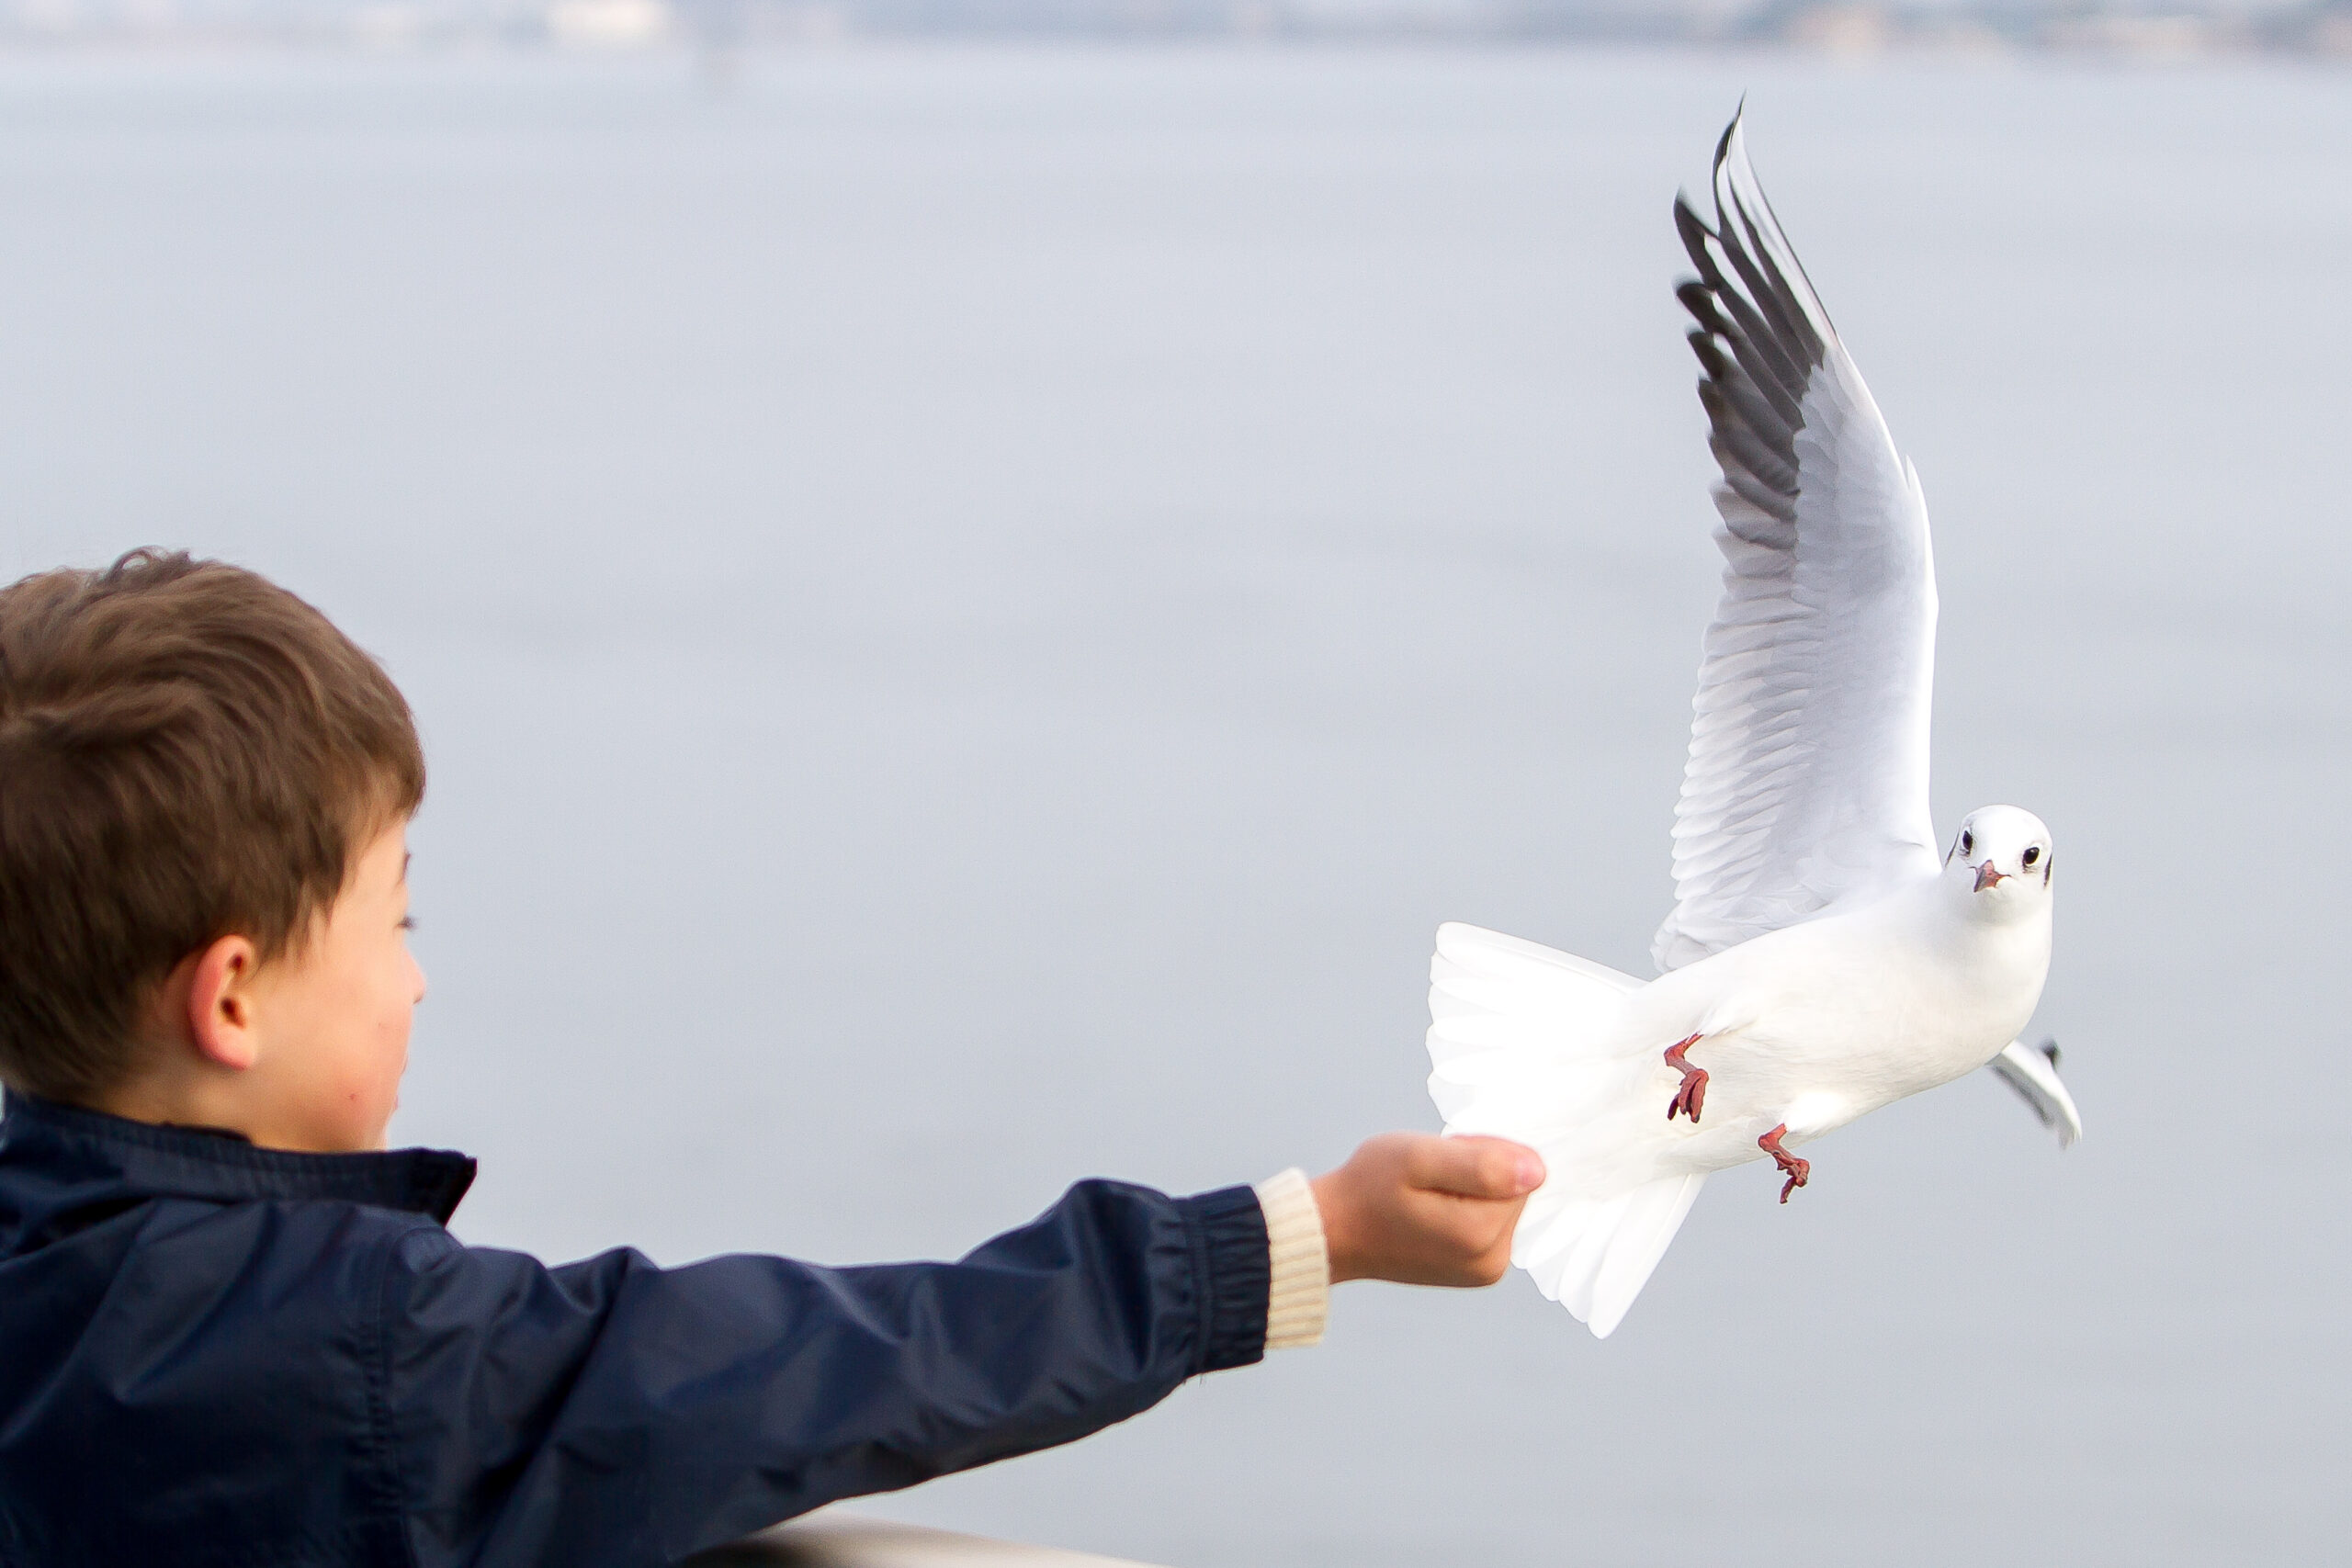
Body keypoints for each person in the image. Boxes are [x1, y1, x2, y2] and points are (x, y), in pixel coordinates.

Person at [0, 549, 1543, 1568]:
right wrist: (1303, 1237)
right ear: (234, 999)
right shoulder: (374, 1351)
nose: (416, 980)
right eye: (394, 923)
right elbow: (825, 1368)